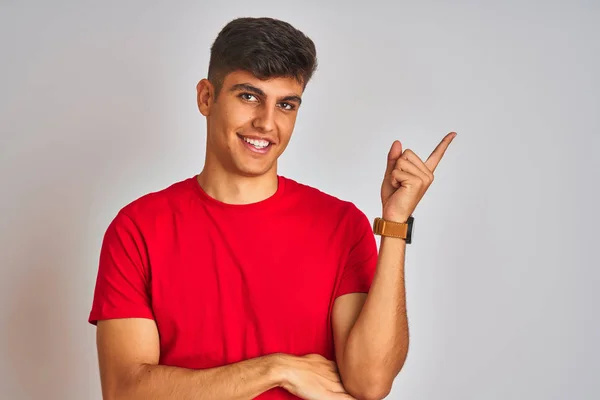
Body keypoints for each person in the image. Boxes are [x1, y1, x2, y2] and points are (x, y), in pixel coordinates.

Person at [88, 16, 456, 400]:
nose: (267, 122)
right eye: (249, 96)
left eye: (286, 104)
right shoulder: (138, 228)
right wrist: (277, 368)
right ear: (206, 97)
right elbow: (125, 390)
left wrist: (395, 223)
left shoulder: (342, 224)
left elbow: (370, 383)